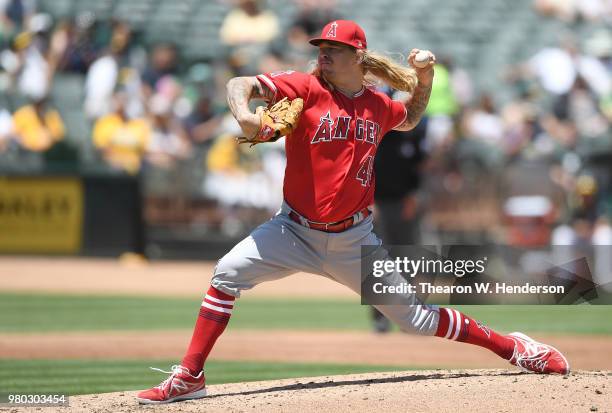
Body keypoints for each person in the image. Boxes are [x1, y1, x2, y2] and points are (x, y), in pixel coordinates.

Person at [137, 20, 570, 405]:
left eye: (333, 48)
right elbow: (239, 83)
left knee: (417, 320)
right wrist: (245, 115)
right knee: (226, 273)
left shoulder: (379, 106)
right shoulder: (306, 88)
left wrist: (425, 77)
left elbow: (412, 117)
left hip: (353, 239)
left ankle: (514, 348)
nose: (322, 53)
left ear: (357, 55)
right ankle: (190, 376)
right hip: (292, 230)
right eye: (320, 47)